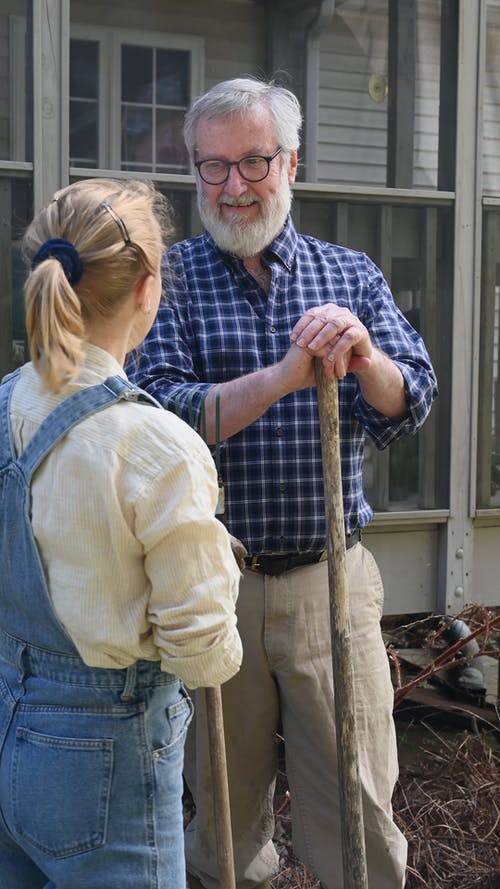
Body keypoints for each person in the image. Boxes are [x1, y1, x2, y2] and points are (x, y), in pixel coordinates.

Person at [127, 78, 438, 889]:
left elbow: (411, 403)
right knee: (223, 821)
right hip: (213, 585)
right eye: (213, 168)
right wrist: (286, 376)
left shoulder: (349, 275)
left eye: (253, 162)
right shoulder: (174, 278)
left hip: (329, 582)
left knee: (360, 806)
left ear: (291, 162)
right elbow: (161, 415)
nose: (233, 187)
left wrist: (365, 359)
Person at [0, 177, 243, 889]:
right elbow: (202, 653)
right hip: (102, 746)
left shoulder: (3, 404)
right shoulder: (156, 447)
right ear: (147, 291)